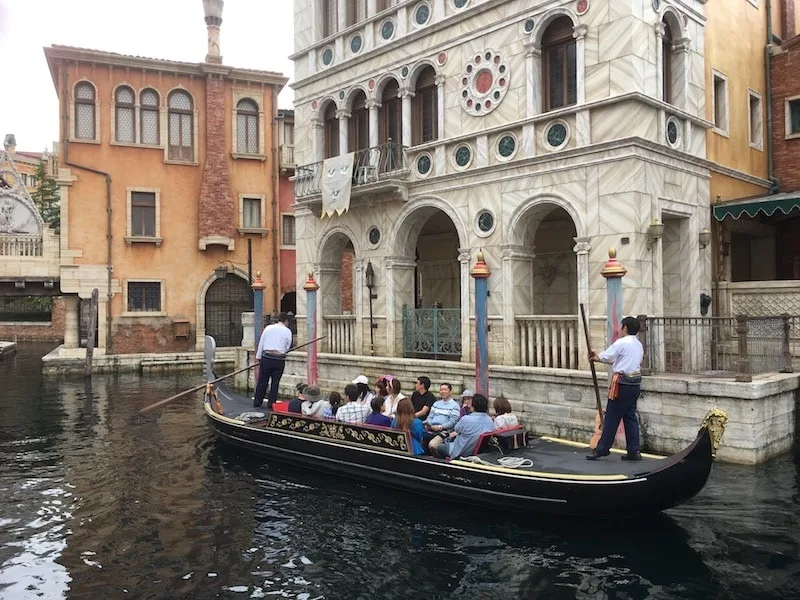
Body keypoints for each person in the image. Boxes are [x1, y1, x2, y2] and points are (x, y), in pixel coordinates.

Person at [586, 316, 644, 462]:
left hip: (622, 385)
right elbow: (619, 360)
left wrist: (596, 356)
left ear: (625, 328)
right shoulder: (638, 345)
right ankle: (634, 450)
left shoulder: (622, 343)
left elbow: (606, 357)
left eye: (621, 327)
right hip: (635, 384)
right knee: (630, 417)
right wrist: (599, 357)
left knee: (612, 416)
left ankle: (602, 449)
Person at [428, 393, 494, 459]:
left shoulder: (466, 419)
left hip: (461, 450)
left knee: (439, 447)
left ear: (473, 406)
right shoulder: (490, 420)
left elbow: (456, 429)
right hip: (476, 450)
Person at [254, 312, 293, 410]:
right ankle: (271, 404)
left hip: (267, 358)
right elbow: (287, 347)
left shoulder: (268, 328)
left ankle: (257, 402)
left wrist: (258, 357)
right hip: (279, 359)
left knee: (262, 380)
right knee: (275, 382)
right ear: (286, 321)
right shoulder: (287, 331)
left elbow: (261, 343)